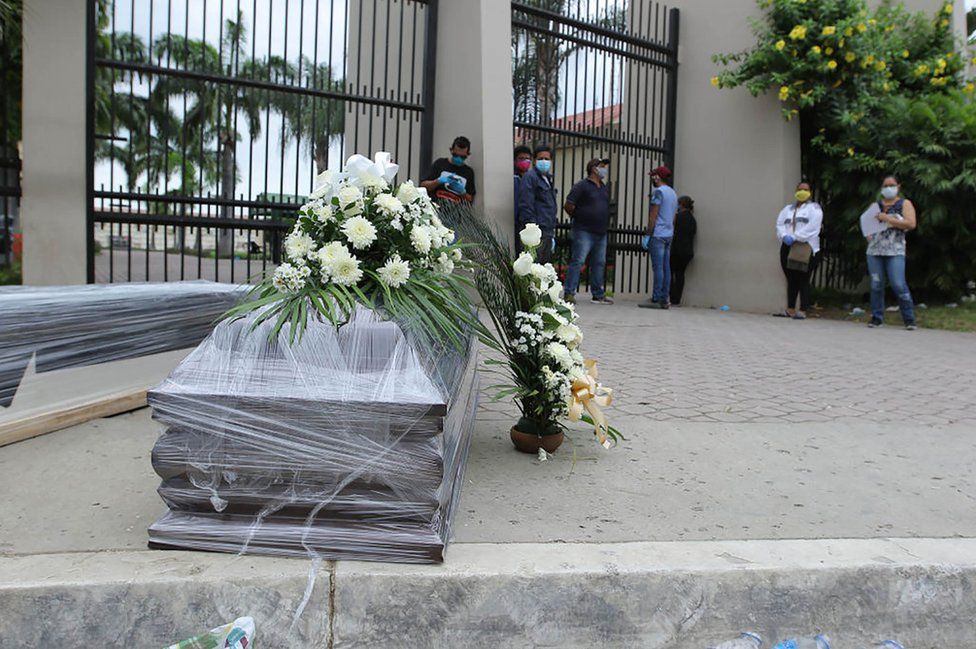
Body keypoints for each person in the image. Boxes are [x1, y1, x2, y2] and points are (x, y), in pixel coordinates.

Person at [863, 174, 917, 330]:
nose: (888, 188)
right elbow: (866, 223)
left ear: (898, 186)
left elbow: (911, 223)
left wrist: (888, 219)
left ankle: (909, 318)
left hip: (895, 250)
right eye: (885, 186)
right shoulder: (876, 206)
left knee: (898, 284)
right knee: (876, 284)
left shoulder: (904, 204)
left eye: (891, 185)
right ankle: (877, 317)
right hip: (875, 250)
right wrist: (868, 235)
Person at [563, 158, 613, 305]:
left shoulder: (603, 187)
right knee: (578, 261)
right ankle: (569, 293)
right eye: (602, 166)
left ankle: (598, 294)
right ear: (593, 168)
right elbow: (569, 204)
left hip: (600, 232)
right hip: (583, 230)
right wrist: (578, 216)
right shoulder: (582, 186)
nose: (604, 169)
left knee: (599, 263)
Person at [774, 181, 823, 320]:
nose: (803, 192)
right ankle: (790, 308)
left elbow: (813, 228)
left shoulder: (815, 209)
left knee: (803, 278)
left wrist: (795, 237)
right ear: (796, 191)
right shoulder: (787, 209)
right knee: (791, 278)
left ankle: (803, 309)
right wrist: (784, 236)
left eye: (806, 190)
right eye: (800, 189)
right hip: (788, 247)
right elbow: (780, 224)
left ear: (810, 192)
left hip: (806, 247)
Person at [638, 165, 678, 309]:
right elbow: (674, 217)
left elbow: (653, 216)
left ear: (657, 177)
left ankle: (657, 298)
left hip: (658, 235)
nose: (652, 179)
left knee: (658, 268)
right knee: (666, 267)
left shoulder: (658, 192)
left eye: (653, 176)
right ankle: (665, 298)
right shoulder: (673, 193)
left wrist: (648, 235)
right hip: (668, 234)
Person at [516, 145, 558, 263]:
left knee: (543, 268)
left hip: (547, 231)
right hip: (536, 231)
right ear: (534, 160)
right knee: (533, 268)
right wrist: (532, 231)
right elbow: (526, 205)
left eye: (546, 159)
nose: (544, 161)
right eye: (540, 159)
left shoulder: (547, 179)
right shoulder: (530, 177)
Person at [421, 136, 476, 204]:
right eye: (456, 155)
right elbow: (423, 185)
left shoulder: (468, 172)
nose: (458, 158)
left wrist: (463, 192)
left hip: (456, 211)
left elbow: (470, 199)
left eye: (462, 157)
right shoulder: (440, 163)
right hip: (436, 206)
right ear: (451, 150)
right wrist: (437, 181)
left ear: (468, 155)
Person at [669, 195, 697, 306]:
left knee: (670, 273)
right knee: (680, 274)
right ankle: (677, 299)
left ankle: (670, 297)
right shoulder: (692, 219)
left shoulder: (677, 217)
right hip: (687, 252)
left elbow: (671, 229)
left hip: (676, 250)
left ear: (681, 204)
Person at [513, 145, 532, 226]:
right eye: (521, 158)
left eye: (527, 159)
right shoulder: (513, 178)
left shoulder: (532, 179)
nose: (525, 161)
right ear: (514, 161)